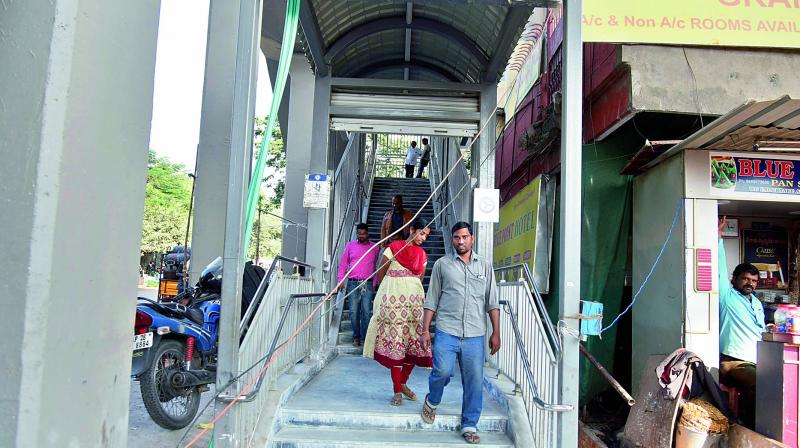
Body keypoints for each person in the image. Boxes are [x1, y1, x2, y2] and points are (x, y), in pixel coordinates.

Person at [420, 221, 501, 445]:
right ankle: (433, 399)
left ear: (472, 238)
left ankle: (469, 424)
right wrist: (425, 329)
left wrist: (496, 332)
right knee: (442, 371)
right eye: (457, 237)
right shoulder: (442, 265)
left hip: (475, 333)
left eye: (465, 237)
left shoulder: (484, 266)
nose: (461, 241)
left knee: (474, 380)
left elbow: (492, 302)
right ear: (453, 239)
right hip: (447, 329)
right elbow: (432, 299)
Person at [363, 218, 433, 406]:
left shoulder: (423, 254)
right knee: (396, 346)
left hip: (414, 304)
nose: (423, 238)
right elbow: (381, 272)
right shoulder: (393, 247)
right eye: (421, 233)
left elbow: (420, 278)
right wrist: (388, 295)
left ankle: (402, 383)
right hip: (392, 303)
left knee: (413, 346)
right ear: (411, 229)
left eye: (426, 235)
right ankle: (397, 391)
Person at [718, 216, 765, 427]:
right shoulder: (728, 296)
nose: (750, 283)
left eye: (754, 281)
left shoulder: (756, 303)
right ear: (734, 279)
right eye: (746, 279)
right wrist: (718, 238)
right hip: (733, 362)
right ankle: (749, 426)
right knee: (763, 383)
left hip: (757, 361)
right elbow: (718, 269)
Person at [337, 223, 380, 347]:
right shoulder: (350, 246)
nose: (361, 236)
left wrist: (375, 282)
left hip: (368, 283)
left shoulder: (374, 247)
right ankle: (356, 336)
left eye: (363, 233)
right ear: (357, 233)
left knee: (366, 311)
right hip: (353, 283)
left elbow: (376, 265)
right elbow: (343, 264)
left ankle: (365, 338)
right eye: (359, 233)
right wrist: (340, 280)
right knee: (353, 311)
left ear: (367, 233)